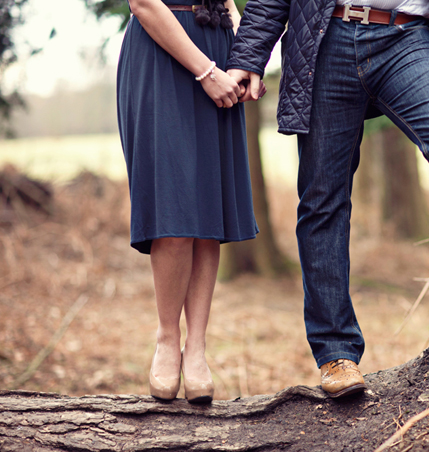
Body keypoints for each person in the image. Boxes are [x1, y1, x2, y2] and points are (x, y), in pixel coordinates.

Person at [226, 0, 429, 399]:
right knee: (322, 197)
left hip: (408, 39)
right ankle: (335, 353)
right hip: (326, 35)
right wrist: (248, 55)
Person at [117, 0, 263, 403]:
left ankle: (196, 346)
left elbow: (230, 3)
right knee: (173, 208)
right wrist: (205, 71)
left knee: (205, 211)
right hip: (161, 53)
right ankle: (167, 338)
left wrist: (248, 59)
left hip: (217, 46)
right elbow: (143, 3)